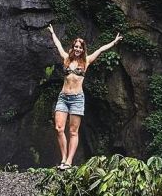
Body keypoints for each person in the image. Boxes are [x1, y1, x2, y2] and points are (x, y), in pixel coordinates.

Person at [47, 24, 122, 170]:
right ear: (73, 47)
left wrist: (114, 42)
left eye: (80, 47)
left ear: (83, 49)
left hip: (77, 99)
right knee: (59, 128)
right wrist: (52, 33)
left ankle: (68, 161)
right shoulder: (66, 59)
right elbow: (58, 45)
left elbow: (100, 50)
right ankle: (63, 157)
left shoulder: (86, 61)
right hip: (63, 97)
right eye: (75, 47)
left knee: (73, 131)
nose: (77, 49)